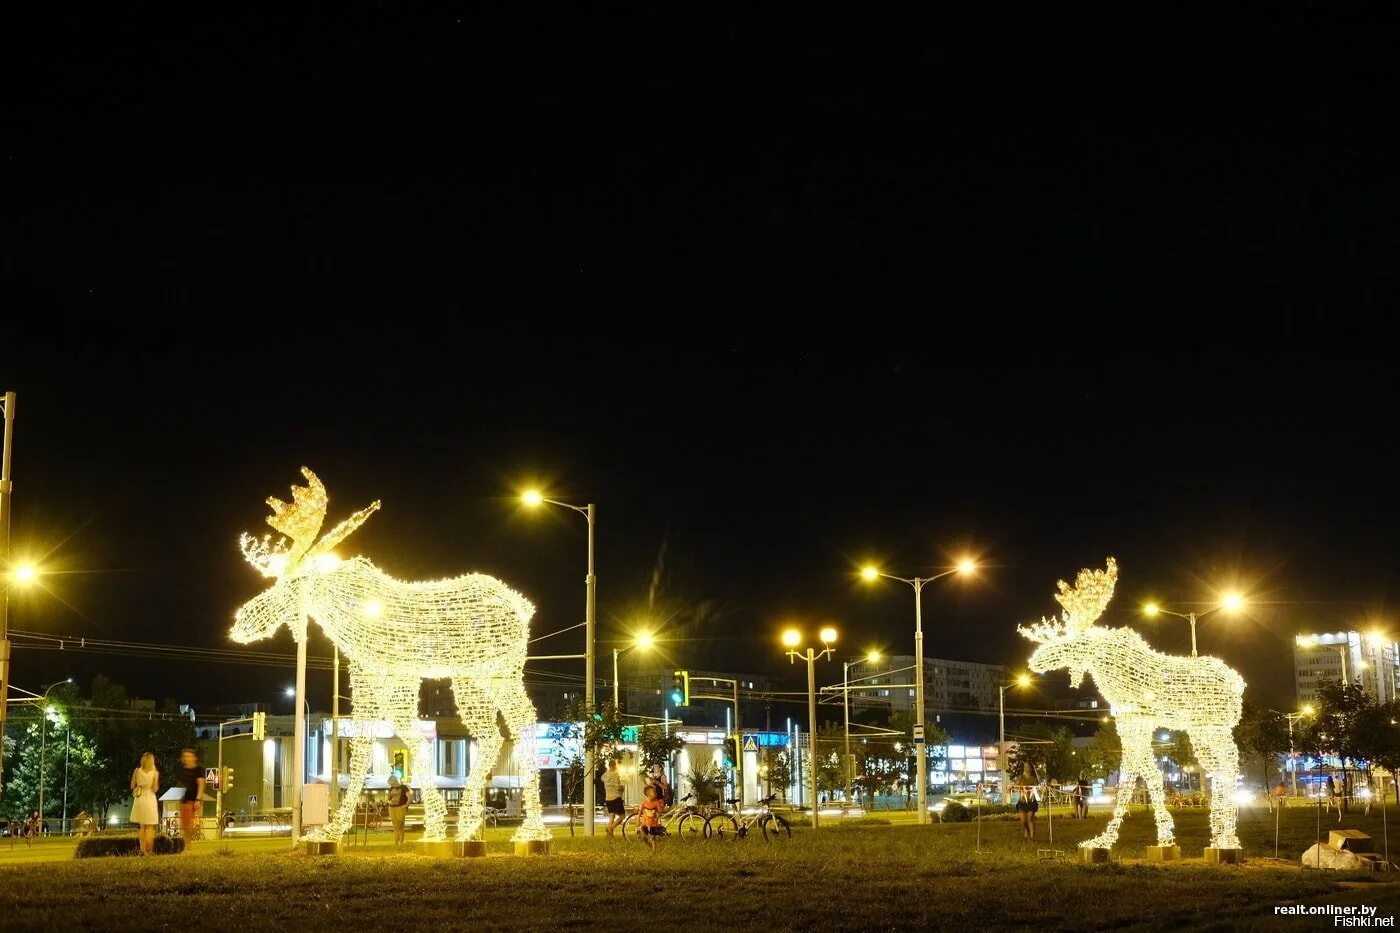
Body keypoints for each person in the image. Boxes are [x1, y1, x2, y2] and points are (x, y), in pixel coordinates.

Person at [131, 751, 160, 855]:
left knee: (142, 827)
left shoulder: (137, 771)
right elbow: (155, 788)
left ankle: (142, 850)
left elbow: (132, 786)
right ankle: (149, 850)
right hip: (150, 798)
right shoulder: (155, 773)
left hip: (140, 799)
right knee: (150, 827)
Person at [177, 747, 205, 849]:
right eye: (185, 756)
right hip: (185, 800)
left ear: (194, 757)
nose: (186, 758)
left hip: (193, 800)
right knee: (185, 825)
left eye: (189, 756)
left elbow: (201, 784)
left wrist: (198, 799)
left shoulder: (198, 770)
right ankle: (187, 845)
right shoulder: (183, 771)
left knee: (189, 825)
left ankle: (187, 846)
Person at [1015, 761, 1040, 840]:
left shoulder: (1033, 778)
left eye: (1027, 767)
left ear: (1031, 769)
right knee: (1023, 821)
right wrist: (1016, 787)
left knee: (1030, 819)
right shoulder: (1020, 777)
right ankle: (1027, 829)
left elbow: (1038, 786)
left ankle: (1032, 838)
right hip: (1022, 802)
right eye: (1025, 767)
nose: (1026, 768)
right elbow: (1016, 786)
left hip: (1031, 801)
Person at [637, 782, 666, 850]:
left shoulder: (656, 802)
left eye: (655, 792)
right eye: (654, 792)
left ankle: (654, 849)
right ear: (648, 794)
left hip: (653, 823)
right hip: (645, 823)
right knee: (643, 835)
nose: (656, 793)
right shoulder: (644, 802)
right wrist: (638, 819)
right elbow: (640, 812)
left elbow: (659, 811)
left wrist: (660, 808)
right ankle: (648, 843)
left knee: (653, 837)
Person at [602, 759, 626, 837]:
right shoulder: (615, 774)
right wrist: (622, 788)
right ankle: (610, 828)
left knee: (611, 817)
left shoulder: (605, 775)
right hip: (616, 797)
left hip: (608, 798)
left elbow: (602, 779)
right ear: (614, 766)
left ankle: (609, 836)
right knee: (622, 816)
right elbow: (617, 786)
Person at [387, 775, 411, 845]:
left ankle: (401, 842)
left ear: (395, 781)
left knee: (400, 825)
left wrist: (406, 805)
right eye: (391, 784)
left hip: (400, 807)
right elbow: (388, 798)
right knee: (395, 825)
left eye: (392, 784)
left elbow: (409, 797)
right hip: (391, 807)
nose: (392, 785)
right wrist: (389, 798)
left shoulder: (404, 787)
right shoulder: (391, 788)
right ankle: (396, 842)